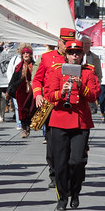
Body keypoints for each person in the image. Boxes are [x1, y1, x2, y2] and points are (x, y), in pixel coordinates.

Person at [43, 39, 101, 210]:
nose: (74, 56)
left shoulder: (88, 72)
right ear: (66, 55)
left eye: (78, 53)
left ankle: (75, 191)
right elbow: (48, 95)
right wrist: (61, 93)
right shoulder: (57, 71)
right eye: (71, 53)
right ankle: (62, 197)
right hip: (60, 121)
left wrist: (80, 85)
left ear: (83, 55)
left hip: (80, 122)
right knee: (60, 163)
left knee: (77, 161)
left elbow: (94, 95)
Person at [33, 28, 76, 188]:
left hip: (71, 104)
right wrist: (38, 94)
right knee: (52, 142)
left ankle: (69, 171)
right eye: (65, 42)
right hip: (51, 103)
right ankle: (54, 173)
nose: (67, 45)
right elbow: (37, 79)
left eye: (70, 42)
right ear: (59, 41)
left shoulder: (75, 57)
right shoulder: (47, 57)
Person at [7, 46, 36, 137]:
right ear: (21, 55)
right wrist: (9, 91)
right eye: (24, 53)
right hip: (21, 93)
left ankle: (30, 125)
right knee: (22, 110)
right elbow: (13, 80)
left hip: (32, 92)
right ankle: (24, 129)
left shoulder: (35, 66)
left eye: (27, 53)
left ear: (31, 55)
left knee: (31, 109)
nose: (26, 54)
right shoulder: (18, 67)